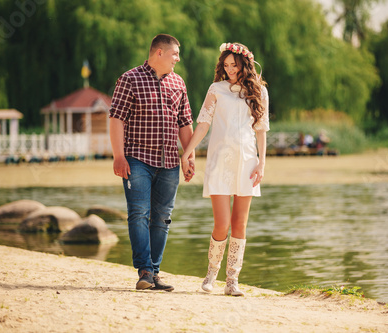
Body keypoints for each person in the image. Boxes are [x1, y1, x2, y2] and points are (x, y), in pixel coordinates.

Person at [181, 42, 269, 296]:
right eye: (226, 65)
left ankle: (232, 281)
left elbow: (261, 130)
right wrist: (187, 152)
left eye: (235, 65)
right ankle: (210, 274)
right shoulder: (216, 89)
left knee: (240, 224)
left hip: (247, 162)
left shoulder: (259, 92)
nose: (230, 69)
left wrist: (262, 163)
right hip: (220, 161)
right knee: (222, 224)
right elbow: (203, 124)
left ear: (245, 64)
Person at [109, 34, 195, 292]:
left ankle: (154, 273)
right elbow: (116, 119)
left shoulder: (178, 83)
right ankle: (144, 270)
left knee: (162, 218)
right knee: (138, 213)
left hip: (169, 161)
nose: (178, 59)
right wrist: (118, 155)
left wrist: (188, 157)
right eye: (175, 54)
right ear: (159, 53)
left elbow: (185, 123)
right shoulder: (129, 79)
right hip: (137, 160)